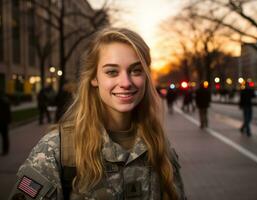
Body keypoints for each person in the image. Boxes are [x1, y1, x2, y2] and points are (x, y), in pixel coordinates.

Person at [9, 28, 186, 200]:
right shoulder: (56, 149)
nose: (125, 82)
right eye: (112, 72)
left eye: (136, 70)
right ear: (94, 78)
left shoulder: (159, 144)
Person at [0, 90, 11, 155]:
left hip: (2, 120)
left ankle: (5, 150)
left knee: (4, 136)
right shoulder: (6, 100)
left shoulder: (3, 101)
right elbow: (8, 112)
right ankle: (5, 150)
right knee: (5, 136)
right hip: (5, 121)